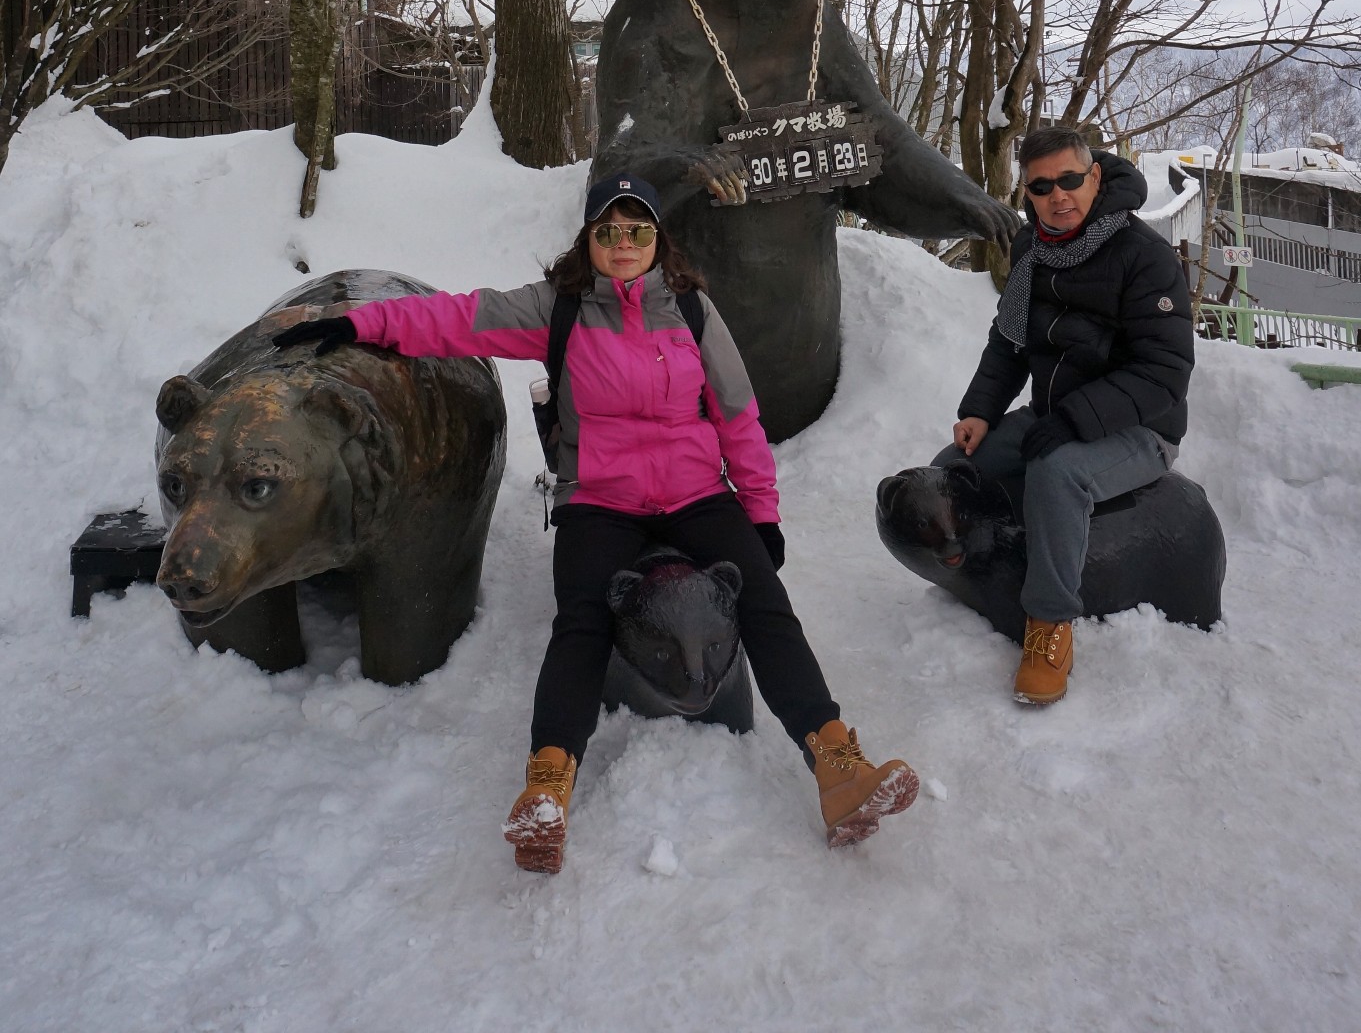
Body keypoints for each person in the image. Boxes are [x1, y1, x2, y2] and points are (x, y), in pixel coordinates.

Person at [274, 172, 917, 873]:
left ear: (657, 239)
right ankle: (545, 791)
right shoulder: (559, 309)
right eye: (607, 231)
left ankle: (837, 765)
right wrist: (356, 323)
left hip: (695, 490)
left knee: (766, 605)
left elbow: (736, 414)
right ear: (588, 238)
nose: (622, 243)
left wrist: (759, 511)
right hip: (599, 498)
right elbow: (457, 319)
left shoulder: (693, 311)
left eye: (637, 230)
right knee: (580, 620)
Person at [936, 127, 1194, 706]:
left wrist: (1075, 421)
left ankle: (1050, 623)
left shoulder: (1143, 256)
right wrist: (980, 411)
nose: (1059, 196)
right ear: (1027, 192)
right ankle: (993, 573)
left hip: (1141, 429)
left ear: (1095, 175)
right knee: (954, 466)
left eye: (1070, 180)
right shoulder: (1033, 250)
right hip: (1056, 414)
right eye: (1042, 186)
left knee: (1058, 473)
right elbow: (1008, 343)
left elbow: (1165, 372)